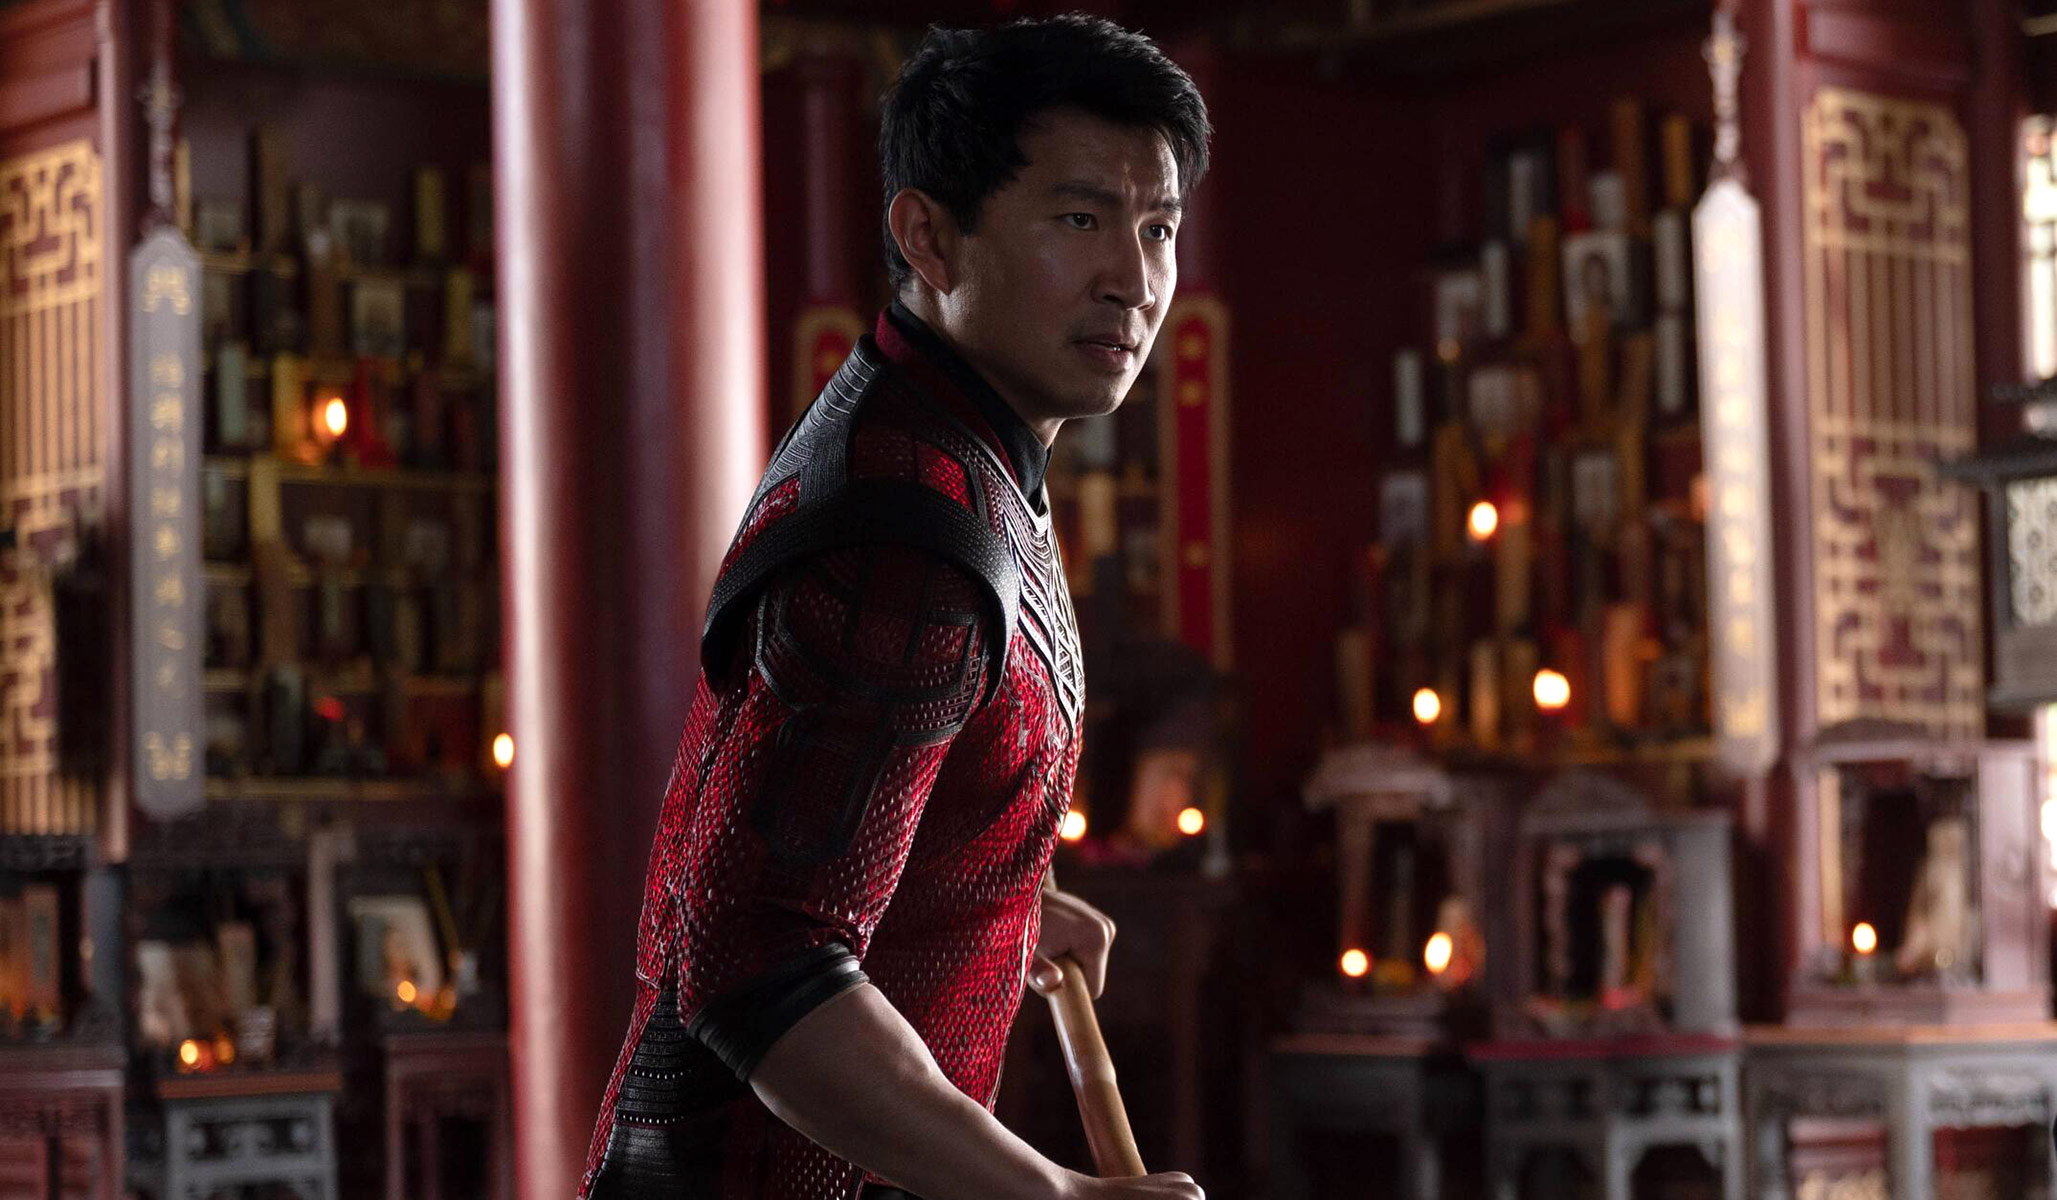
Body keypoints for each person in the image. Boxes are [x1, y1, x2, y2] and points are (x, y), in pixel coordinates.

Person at [579, 15, 1210, 1200]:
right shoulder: (905, 527)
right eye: (1079, 221)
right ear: (928, 235)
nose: (1132, 281)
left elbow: (837, 810)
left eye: (1157, 228)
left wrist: (993, 892)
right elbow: (755, 962)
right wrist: (1051, 1196)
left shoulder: (951, 439)